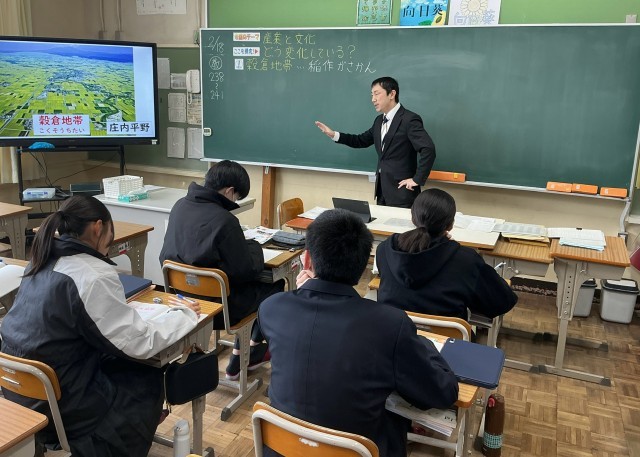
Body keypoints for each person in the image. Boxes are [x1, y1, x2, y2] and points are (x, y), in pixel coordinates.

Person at [0, 195, 200, 456]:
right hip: (62, 411)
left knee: (114, 357)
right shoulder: (92, 274)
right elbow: (141, 343)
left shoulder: (41, 260)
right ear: (98, 227)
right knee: (147, 374)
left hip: (21, 395)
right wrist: (183, 315)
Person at [258, 209, 458, 456]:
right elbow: (443, 392)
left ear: (306, 260)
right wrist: (425, 344)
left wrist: (307, 291)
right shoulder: (389, 324)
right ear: (364, 266)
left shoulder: (272, 308)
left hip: (282, 447)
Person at [160, 160, 284, 380]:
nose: (234, 202)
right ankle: (246, 352)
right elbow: (245, 270)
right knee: (275, 285)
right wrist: (253, 246)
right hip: (219, 310)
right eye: (236, 197)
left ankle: (247, 351)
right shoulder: (225, 220)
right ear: (229, 191)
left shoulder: (180, 206)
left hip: (182, 300)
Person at [376, 188, 518, 321]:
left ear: (413, 218)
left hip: (392, 334)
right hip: (445, 339)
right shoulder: (466, 260)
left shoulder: (385, 250)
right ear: (450, 225)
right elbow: (502, 302)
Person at [315, 76, 436, 208]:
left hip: (403, 194)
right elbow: (361, 140)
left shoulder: (409, 119)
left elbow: (428, 149)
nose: (373, 99)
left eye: (377, 94)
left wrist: (417, 179)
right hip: (382, 192)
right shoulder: (379, 121)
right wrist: (334, 135)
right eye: (372, 95)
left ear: (392, 94)